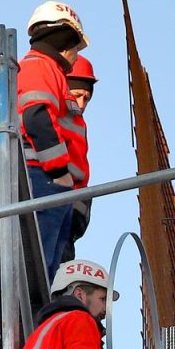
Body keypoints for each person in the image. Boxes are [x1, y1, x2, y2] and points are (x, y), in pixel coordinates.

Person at [18, 1, 90, 282]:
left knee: (50, 272)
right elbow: (37, 118)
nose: (76, 55)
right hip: (46, 179)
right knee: (41, 270)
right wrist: (60, 173)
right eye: (76, 46)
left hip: (55, 185)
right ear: (65, 40)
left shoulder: (50, 72)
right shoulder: (40, 67)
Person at [61, 55, 98, 264]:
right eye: (77, 95)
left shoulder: (79, 123)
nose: (82, 103)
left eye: (87, 98)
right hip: (56, 201)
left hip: (72, 211)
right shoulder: (53, 115)